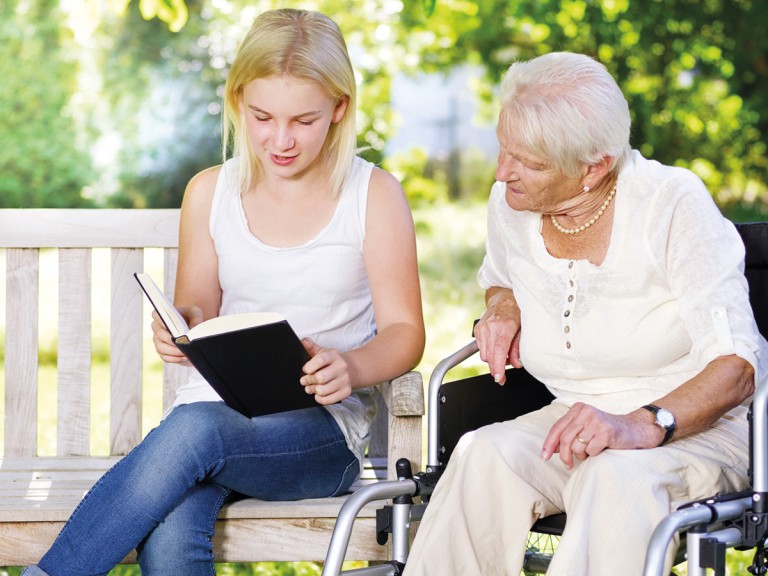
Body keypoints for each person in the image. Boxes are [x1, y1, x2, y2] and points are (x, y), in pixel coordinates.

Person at [23, 8, 424, 576]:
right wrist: (178, 325)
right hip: (213, 418)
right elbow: (198, 309)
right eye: (262, 116)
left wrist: (353, 367)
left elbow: (407, 333)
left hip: (318, 436)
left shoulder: (373, 196)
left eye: (303, 121)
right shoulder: (210, 192)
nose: (280, 140)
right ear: (238, 102)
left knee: (194, 432)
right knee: (172, 524)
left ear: (339, 109)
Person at [402, 52, 766, 576]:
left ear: (594, 166)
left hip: (700, 427)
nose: (503, 173)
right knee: (483, 454)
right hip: (574, 415)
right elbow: (501, 276)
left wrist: (642, 424)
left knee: (615, 477)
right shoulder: (512, 204)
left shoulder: (670, 204)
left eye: (528, 161)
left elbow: (737, 366)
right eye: (503, 149)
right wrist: (502, 306)